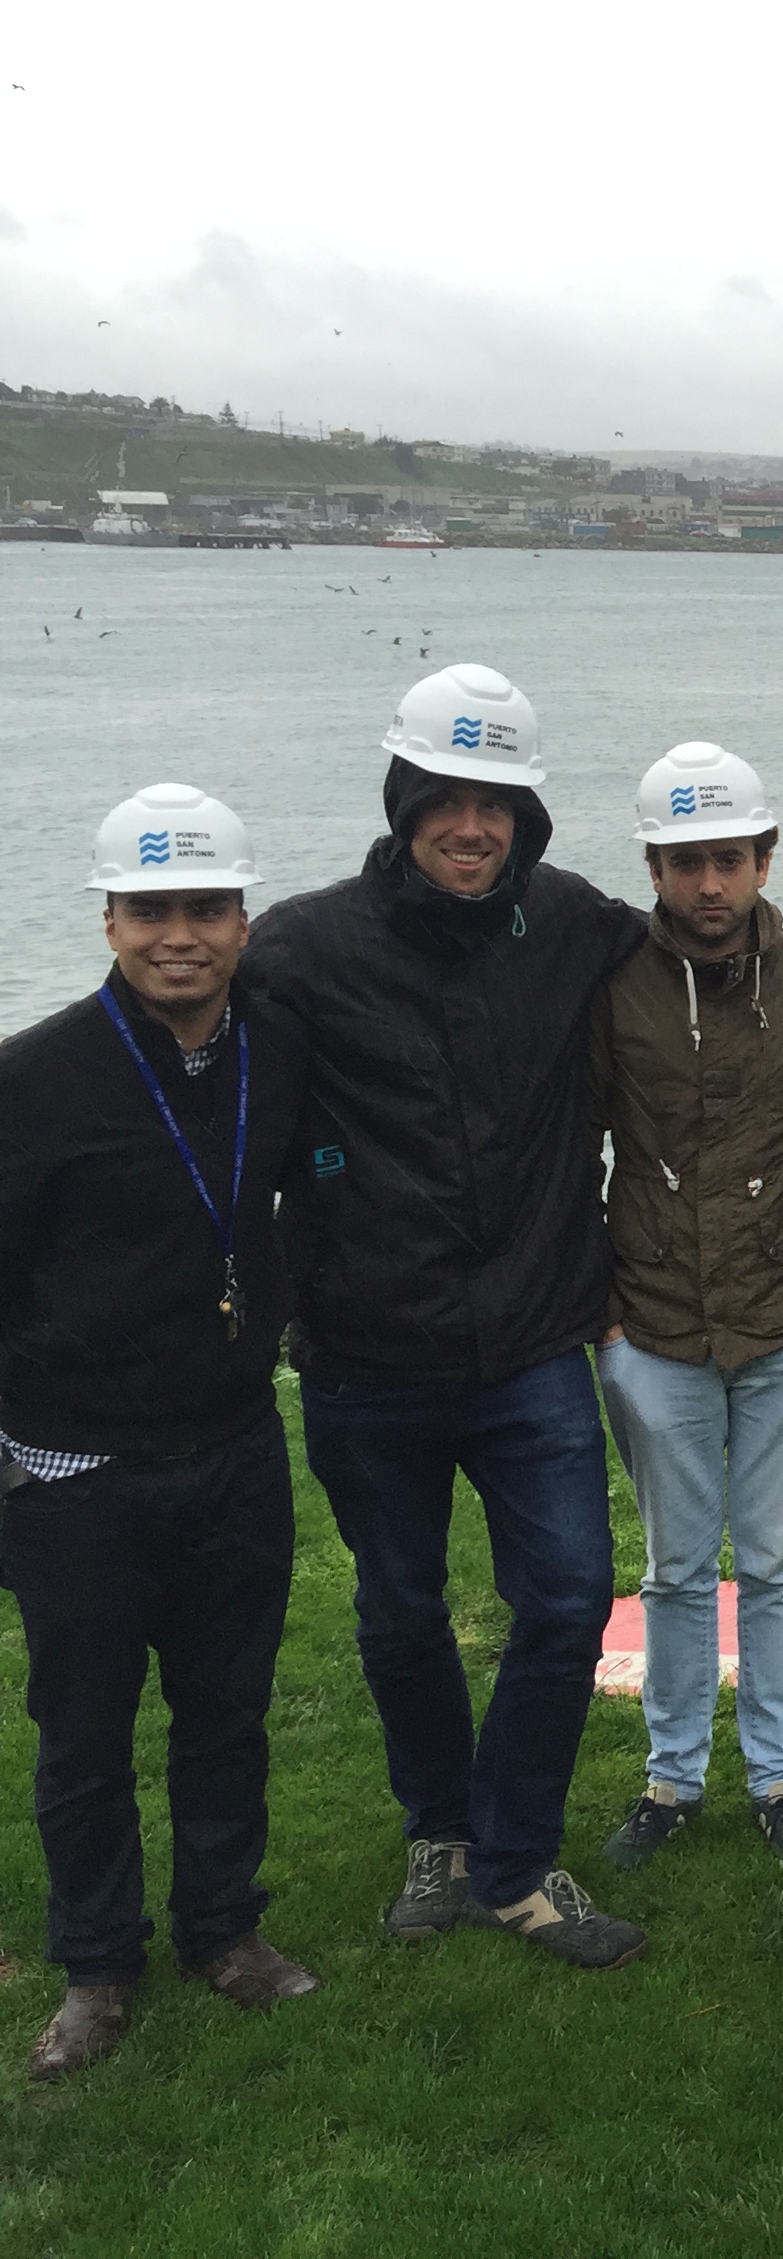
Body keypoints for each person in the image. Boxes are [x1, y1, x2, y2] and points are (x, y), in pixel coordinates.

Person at [245, 665, 783, 1972]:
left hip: (545, 1349)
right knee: (408, 1612)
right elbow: (236, 1110)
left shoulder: (568, 926)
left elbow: (762, 978)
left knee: (574, 1600)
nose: (471, 827)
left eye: (494, 803)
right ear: (403, 805)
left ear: (527, 820)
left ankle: (534, 1851)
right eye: (445, 802)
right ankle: (466, 1831)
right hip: (396, 1354)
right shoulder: (317, 946)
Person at [0, 788, 318, 2081]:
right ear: (112, 921)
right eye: (150, 911)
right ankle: (96, 1968)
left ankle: (223, 1933)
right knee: (82, 1732)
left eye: (203, 908)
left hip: (235, 1444)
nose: (177, 935)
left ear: (242, 921)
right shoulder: (36, 1076)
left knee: (226, 1710)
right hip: (75, 1468)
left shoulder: (277, 1052)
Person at [589, 743, 783, 1873]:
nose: (707, 886)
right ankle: (670, 1780)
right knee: (672, 1567)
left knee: (770, 1561)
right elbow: (572, 1147)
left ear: (764, 859)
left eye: (727, 859)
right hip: (652, 1323)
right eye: (683, 863)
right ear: (655, 868)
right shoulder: (612, 987)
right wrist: (604, 1313)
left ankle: (779, 1778)